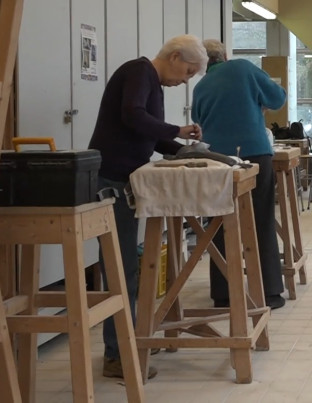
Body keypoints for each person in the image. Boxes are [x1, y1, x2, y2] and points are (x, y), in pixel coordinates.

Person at [88, 34, 207, 380]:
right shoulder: (139, 73)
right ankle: (118, 354)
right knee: (120, 268)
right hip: (109, 183)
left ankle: (129, 340)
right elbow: (132, 116)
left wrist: (184, 148)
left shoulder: (151, 84)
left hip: (121, 182)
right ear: (173, 56)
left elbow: (150, 135)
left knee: (127, 268)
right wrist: (177, 131)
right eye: (187, 72)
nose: (184, 80)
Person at [191, 40, 288, 310]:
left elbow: (199, 122)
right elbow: (278, 97)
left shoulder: (200, 86)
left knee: (219, 223)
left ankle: (223, 294)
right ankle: (269, 293)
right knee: (260, 222)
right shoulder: (244, 69)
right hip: (254, 154)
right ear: (224, 55)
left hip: (217, 159)